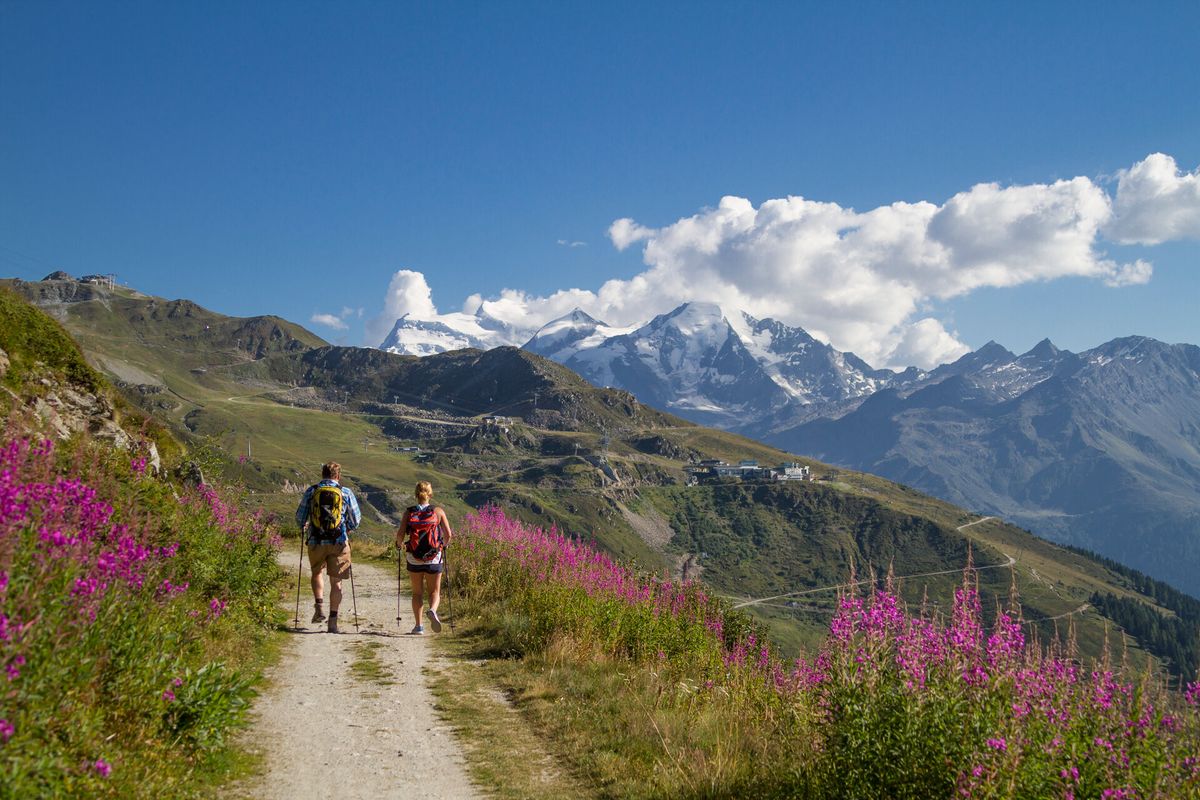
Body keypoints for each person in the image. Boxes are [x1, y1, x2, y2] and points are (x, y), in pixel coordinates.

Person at [295, 461, 361, 633]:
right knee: (336, 581)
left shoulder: (312, 491)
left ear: (322, 474)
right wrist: (345, 529)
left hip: (316, 541)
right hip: (338, 541)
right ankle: (333, 621)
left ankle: (319, 606)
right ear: (338, 476)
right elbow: (356, 520)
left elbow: (300, 518)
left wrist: (306, 525)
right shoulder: (345, 492)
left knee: (317, 572)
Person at [397, 481, 453, 635]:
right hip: (434, 558)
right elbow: (448, 535)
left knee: (417, 593)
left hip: (414, 558)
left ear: (416, 494)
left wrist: (398, 545)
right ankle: (433, 610)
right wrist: (442, 546)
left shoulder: (409, 513)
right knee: (434, 592)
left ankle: (418, 626)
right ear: (430, 494)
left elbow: (400, 534)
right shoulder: (438, 511)